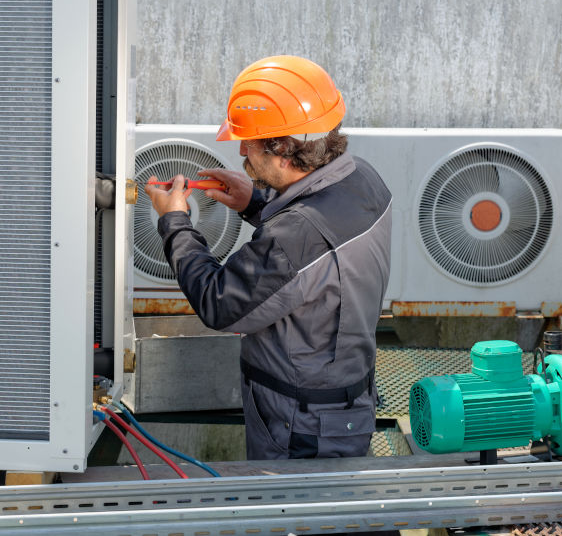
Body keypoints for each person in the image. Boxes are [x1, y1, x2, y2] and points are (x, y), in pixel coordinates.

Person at [145, 55, 392, 460]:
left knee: (292, 520)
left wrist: (175, 221)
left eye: (250, 141)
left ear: (282, 149)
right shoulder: (362, 178)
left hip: (300, 427)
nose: (241, 148)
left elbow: (219, 302)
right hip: (342, 406)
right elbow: (317, 261)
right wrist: (255, 203)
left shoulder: (294, 239)